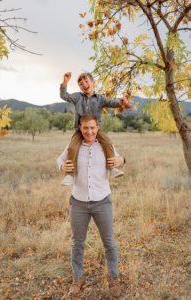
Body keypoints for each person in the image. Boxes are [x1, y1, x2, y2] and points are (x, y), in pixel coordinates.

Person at [56, 114, 124, 298]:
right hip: (78, 202)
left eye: (92, 128)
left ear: (97, 127)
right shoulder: (73, 147)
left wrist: (122, 160)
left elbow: (119, 160)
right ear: (80, 127)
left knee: (109, 242)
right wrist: (61, 167)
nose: (89, 132)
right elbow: (59, 161)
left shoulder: (105, 146)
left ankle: (113, 278)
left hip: (103, 201)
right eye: (85, 128)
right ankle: (78, 279)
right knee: (77, 243)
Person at [59, 71, 132, 186]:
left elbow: (112, 103)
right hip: (80, 130)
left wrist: (121, 103)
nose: (84, 84)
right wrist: (65, 82)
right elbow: (64, 96)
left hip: (95, 130)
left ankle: (112, 169)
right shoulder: (77, 97)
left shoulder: (100, 99)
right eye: (81, 84)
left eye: (86, 81)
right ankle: (69, 175)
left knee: (107, 143)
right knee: (72, 147)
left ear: (93, 83)